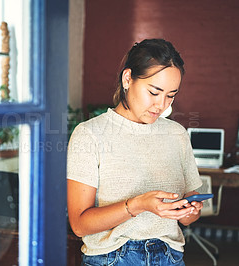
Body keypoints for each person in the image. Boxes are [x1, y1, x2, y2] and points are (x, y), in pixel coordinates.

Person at [67, 38, 204, 266]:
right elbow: (80, 224)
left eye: (170, 95)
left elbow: (191, 215)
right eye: (154, 92)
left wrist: (189, 211)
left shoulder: (177, 134)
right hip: (112, 257)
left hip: (170, 256)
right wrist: (137, 205)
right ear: (128, 78)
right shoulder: (90, 134)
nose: (161, 105)